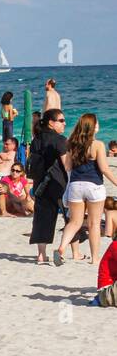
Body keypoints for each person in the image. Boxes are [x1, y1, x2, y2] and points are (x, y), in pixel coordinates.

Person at [56, 113, 117, 265]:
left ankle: (61, 248)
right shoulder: (98, 145)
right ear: (93, 126)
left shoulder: (71, 143)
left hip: (76, 186)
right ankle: (95, 258)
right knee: (94, 224)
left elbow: (68, 166)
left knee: (75, 222)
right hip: (94, 186)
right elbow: (104, 168)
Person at [28, 108, 69, 265]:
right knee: (70, 217)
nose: (64, 123)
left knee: (42, 219)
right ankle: (75, 252)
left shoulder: (36, 140)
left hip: (41, 184)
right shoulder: (60, 140)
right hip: (59, 183)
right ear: (51, 123)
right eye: (61, 120)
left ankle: (41, 255)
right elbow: (67, 165)